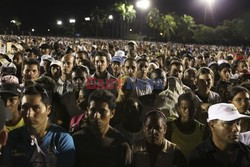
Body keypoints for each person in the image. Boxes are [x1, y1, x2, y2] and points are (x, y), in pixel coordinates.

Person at [2, 84, 75, 167]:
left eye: (36, 108)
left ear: (48, 109)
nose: (29, 114)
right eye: (25, 107)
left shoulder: (62, 139)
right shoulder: (12, 137)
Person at [73, 89, 131, 167]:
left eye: (102, 111)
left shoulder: (121, 144)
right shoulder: (76, 140)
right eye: (93, 110)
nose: (97, 116)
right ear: (87, 110)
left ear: (112, 113)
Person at [166, 92, 207, 159]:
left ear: (195, 109)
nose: (188, 111)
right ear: (178, 109)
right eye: (184, 108)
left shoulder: (202, 130)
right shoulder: (170, 128)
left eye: (191, 108)